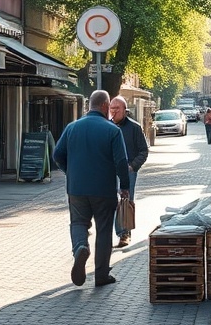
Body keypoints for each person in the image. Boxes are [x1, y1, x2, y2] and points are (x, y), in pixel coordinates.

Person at [53, 90, 130, 288]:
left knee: (78, 222)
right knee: (104, 230)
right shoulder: (112, 130)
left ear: (89, 106)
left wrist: (70, 171)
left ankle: (80, 247)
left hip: (76, 188)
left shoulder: (72, 127)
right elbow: (121, 161)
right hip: (103, 189)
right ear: (105, 106)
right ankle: (101, 274)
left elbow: (57, 155)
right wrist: (125, 186)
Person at [108, 96, 148, 248]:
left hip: (128, 170)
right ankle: (117, 233)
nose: (114, 111)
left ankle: (125, 234)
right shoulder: (107, 127)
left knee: (126, 202)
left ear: (125, 110)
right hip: (110, 172)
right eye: (112, 108)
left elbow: (143, 151)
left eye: (117, 108)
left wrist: (133, 166)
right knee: (111, 202)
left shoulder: (134, 128)